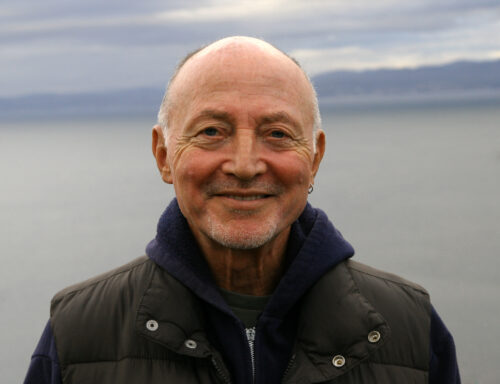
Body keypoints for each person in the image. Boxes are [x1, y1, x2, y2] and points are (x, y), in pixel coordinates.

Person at [24, 36, 460, 384]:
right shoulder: (80, 332)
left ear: (315, 158)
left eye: (277, 133)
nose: (246, 165)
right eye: (212, 131)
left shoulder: (409, 329)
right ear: (163, 156)